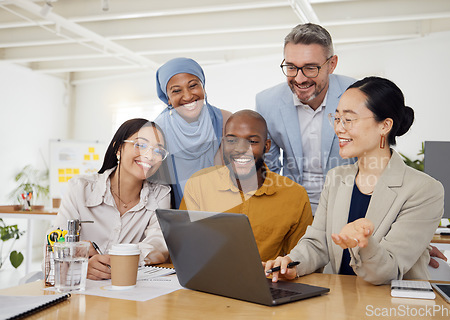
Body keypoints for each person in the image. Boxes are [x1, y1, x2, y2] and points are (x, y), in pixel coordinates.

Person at [264, 77, 444, 285]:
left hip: (390, 308)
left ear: (385, 125)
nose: (339, 128)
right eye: (337, 118)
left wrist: (364, 244)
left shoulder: (424, 190)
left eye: (349, 120)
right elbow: (317, 243)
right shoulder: (336, 178)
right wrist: (291, 265)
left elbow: (388, 272)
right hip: (338, 301)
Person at [180, 110, 313, 261]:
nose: (240, 149)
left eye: (252, 141)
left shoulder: (295, 195)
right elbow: (184, 249)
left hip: (267, 282)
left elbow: (301, 261)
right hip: (206, 282)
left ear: (267, 146)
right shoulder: (199, 184)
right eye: (231, 141)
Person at [50, 119, 171, 280]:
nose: (149, 155)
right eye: (140, 145)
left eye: (158, 151)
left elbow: (158, 245)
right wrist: (81, 267)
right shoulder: (80, 189)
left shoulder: (160, 195)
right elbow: (54, 246)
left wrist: (118, 259)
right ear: (118, 148)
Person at [256, 23, 356, 214]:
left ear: (332, 64)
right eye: (291, 67)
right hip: (294, 206)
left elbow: (371, 159)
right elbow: (270, 168)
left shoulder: (357, 93)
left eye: (310, 68)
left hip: (349, 205)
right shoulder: (267, 103)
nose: (300, 79)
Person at [154, 57, 231, 208]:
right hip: (178, 216)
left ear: (203, 86)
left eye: (193, 86)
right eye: (176, 91)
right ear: (168, 98)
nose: (188, 96)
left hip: (224, 211)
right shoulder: (157, 130)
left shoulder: (226, 120)